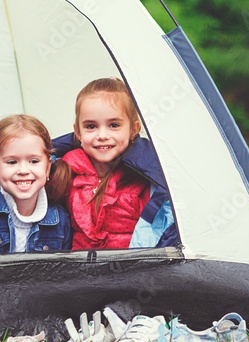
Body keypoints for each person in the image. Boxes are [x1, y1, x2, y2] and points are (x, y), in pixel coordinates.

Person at [52, 77, 178, 249]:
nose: (102, 135)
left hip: (133, 270)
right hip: (79, 271)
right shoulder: (66, 169)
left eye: (114, 125)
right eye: (90, 126)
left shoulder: (149, 178)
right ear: (78, 132)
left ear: (134, 129)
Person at [0, 115, 72, 255]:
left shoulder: (60, 218)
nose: (23, 171)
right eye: (12, 162)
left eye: (34, 161)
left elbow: (63, 273)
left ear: (47, 168)